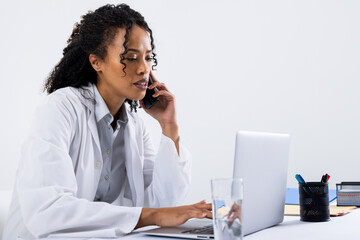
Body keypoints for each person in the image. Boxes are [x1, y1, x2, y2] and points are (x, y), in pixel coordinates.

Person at [3, 4, 212, 239]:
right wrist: (149, 216)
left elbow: (163, 203)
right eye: (131, 58)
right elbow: (48, 212)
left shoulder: (133, 125)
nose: (144, 69)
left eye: (148, 57)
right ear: (96, 62)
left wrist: (169, 127)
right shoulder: (60, 109)